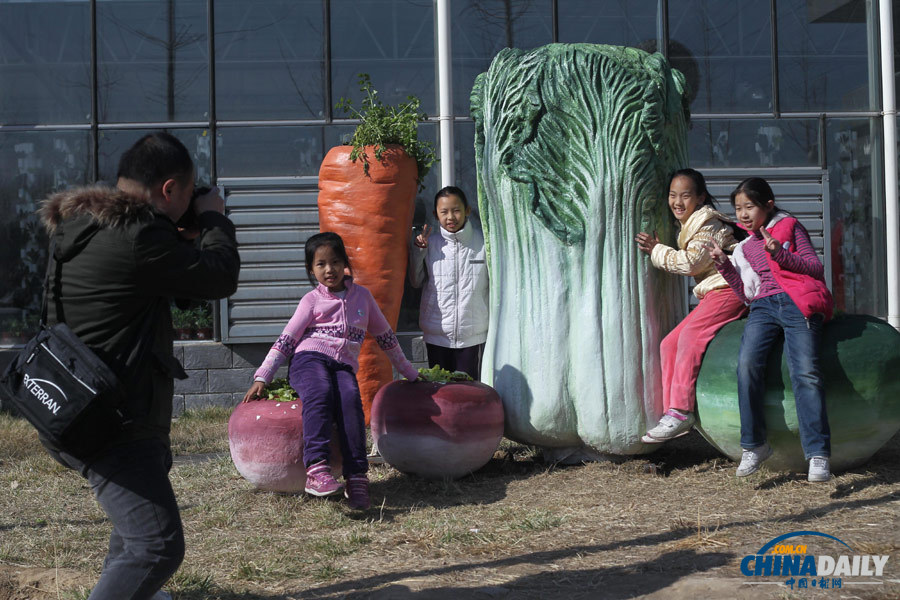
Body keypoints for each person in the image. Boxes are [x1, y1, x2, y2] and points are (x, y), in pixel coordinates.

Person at [38, 132, 241, 599]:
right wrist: (213, 220)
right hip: (114, 419)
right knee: (157, 546)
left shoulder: (83, 228)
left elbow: (174, 286)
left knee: (137, 526)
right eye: (189, 193)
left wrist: (182, 235)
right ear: (170, 190)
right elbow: (218, 276)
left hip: (74, 401)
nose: (193, 201)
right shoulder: (139, 236)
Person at [243, 232, 418, 510]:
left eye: (335, 262)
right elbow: (286, 340)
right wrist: (262, 375)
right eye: (321, 264)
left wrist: (410, 373)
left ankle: (357, 479)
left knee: (350, 401)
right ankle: (316, 469)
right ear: (311, 269)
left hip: (343, 367)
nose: (329, 270)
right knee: (321, 392)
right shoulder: (311, 301)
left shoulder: (363, 298)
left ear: (345, 263)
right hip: (308, 361)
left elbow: (387, 338)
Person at [705, 177, 834, 482]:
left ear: (768, 205)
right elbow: (745, 293)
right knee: (747, 365)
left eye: (749, 206)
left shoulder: (789, 225)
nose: (743, 214)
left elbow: (815, 268)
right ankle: (754, 445)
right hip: (763, 306)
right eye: (738, 208)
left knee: (805, 372)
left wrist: (780, 254)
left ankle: (818, 453)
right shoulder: (746, 246)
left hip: (796, 301)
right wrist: (724, 264)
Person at [635, 169, 748, 443]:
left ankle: (680, 411)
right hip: (713, 294)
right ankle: (671, 414)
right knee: (668, 344)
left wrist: (656, 250)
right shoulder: (690, 223)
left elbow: (691, 263)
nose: (677, 202)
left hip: (728, 291)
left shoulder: (709, 224)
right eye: (673, 195)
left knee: (689, 338)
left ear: (699, 198)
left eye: (685, 195)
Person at [408, 186, 489, 379]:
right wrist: (419, 252)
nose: (450, 217)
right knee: (440, 391)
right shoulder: (430, 244)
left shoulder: (483, 242)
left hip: (472, 335)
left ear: (467, 211)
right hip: (437, 334)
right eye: (444, 212)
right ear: (436, 215)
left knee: (468, 392)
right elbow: (415, 281)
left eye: (456, 210)